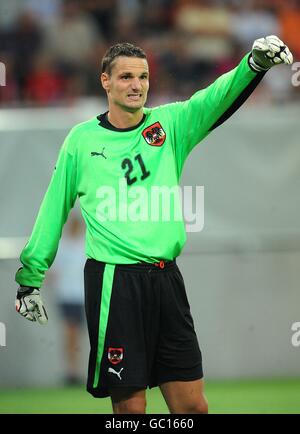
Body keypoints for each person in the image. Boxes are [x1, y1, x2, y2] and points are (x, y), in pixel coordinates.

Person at [15, 36, 292, 414]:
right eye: (126, 76)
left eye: (143, 77)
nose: (136, 84)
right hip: (116, 283)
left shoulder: (170, 125)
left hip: (166, 282)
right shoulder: (81, 141)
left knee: (193, 407)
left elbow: (213, 99)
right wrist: (31, 277)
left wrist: (253, 64)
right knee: (131, 410)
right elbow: (53, 208)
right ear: (105, 82)